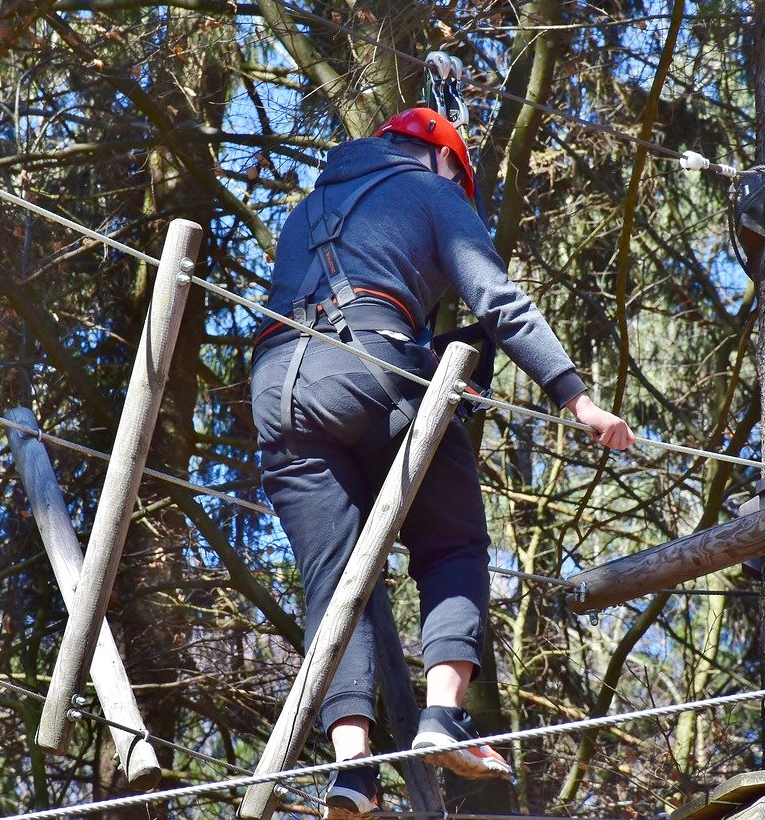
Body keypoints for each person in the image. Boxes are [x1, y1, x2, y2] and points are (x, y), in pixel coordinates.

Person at [250, 107, 633, 818]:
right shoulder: (435, 194)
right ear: (446, 161)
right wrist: (576, 400)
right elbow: (498, 301)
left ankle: (352, 772)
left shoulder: (306, 210)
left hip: (275, 388)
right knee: (452, 540)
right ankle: (443, 717)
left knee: (335, 579)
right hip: (369, 364)